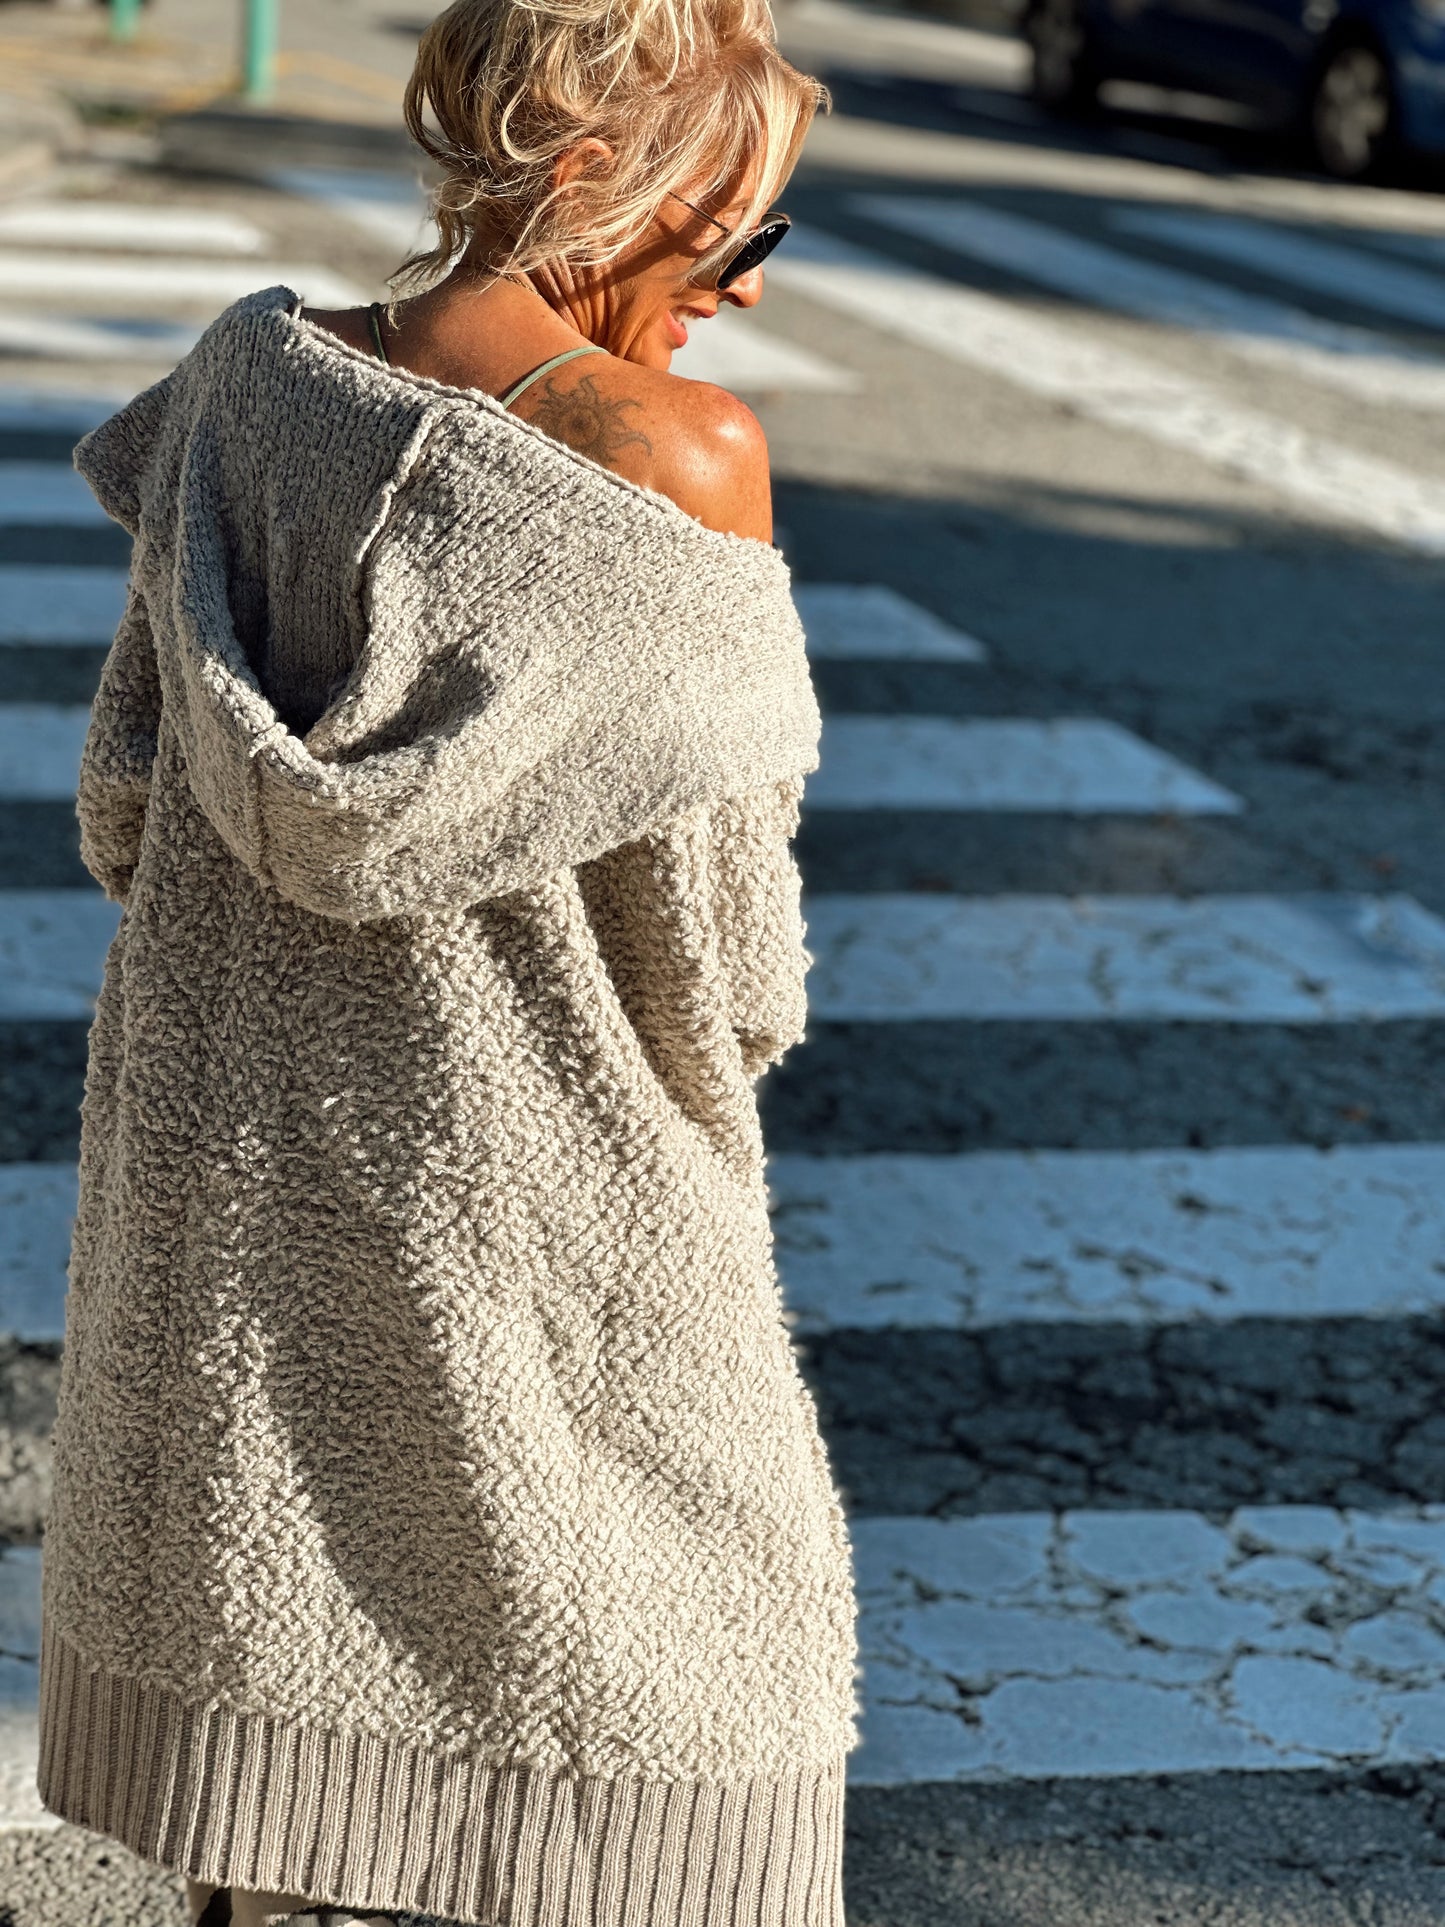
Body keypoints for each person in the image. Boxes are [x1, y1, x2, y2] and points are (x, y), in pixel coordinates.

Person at [33, 0, 862, 1923]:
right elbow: (734, 974)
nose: (734, 290)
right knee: (668, 1721)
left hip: (238, 1192)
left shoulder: (244, 395)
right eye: (730, 234)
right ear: (590, 182)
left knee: (279, 1748)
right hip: (553, 1211)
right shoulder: (677, 458)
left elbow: (126, 812)